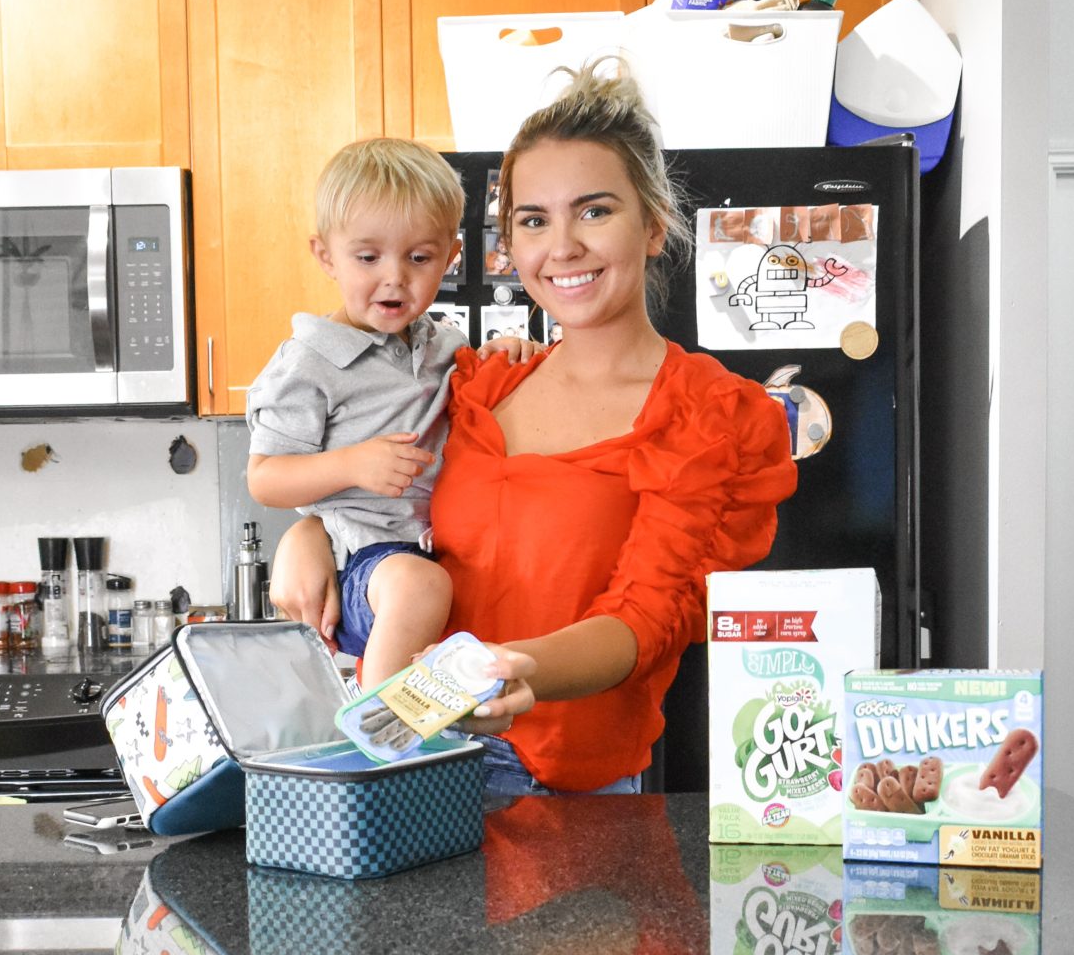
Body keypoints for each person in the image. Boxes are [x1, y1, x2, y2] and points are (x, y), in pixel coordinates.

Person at [270, 63, 798, 795]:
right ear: (508, 244)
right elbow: (384, 496)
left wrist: (517, 667)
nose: (562, 246)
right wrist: (308, 535)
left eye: (595, 211)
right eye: (533, 219)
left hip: (564, 788)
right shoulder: (480, 385)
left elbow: (646, 618)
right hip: (423, 758)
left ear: (653, 225)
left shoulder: (709, 415)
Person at [246, 137, 532, 686]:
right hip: (359, 560)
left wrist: (502, 354)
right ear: (327, 256)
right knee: (422, 588)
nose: (395, 276)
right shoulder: (308, 361)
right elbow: (265, 479)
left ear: (450, 258)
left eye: (419, 258)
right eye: (368, 257)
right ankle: (378, 725)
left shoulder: (446, 348)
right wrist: (351, 465)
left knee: (436, 594)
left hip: (423, 557)